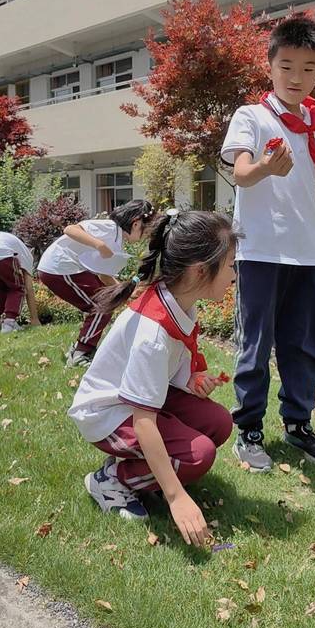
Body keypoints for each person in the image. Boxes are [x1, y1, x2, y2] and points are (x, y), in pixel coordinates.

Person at [221, 16, 315, 472]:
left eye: (308, 68)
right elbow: (241, 172)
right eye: (287, 66)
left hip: (304, 256)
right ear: (270, 66)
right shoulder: (251, 117)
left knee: (303, 347)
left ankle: (299, 425)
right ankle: (249, 430)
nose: (296, 77)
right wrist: (265, 168)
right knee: (255, 345)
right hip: (260, 251)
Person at [68, 209, 236, 546]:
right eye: (231, 265)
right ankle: (112, 479)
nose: (235, 274)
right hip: (109, 414)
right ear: (201, 270)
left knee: (218, 422)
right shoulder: (153, 332)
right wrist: (176, 497)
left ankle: (146, 471)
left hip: (138, 401)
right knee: (198, 455)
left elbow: (167, 368)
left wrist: (189, 380)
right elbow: (144, 421)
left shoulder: (179, 301)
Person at [37, 200, 155, 366]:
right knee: (102, 306)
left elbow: (105, 276)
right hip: (59, 269)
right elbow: (70, 229)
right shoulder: (109, 228)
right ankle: (81, 354)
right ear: (136, 224)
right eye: (146, 232)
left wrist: (123, 291)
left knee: (107, 300)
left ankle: (81, 349)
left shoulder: (117, 241)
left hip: (68, 270)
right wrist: (98, 244)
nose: (145, 237)